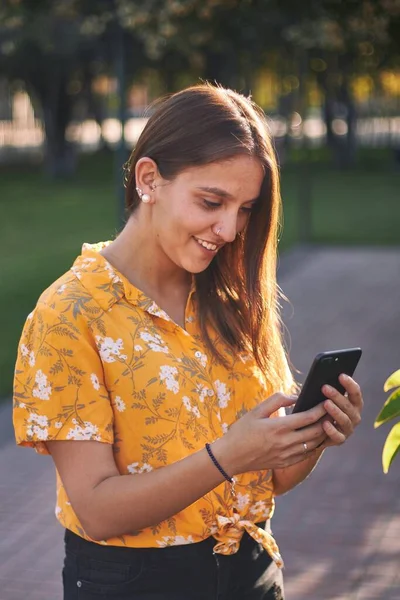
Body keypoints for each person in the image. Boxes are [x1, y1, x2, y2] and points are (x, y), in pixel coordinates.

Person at [13, 83, 363, 600]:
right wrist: (225, 456)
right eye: (211, 201)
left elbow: (270, 479)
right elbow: (98, 509)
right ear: (149, 179)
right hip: (135, 582)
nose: (228, 228)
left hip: (252, 571)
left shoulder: (229, 295)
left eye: (245, 208)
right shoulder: (72, 313)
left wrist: (315, 435)